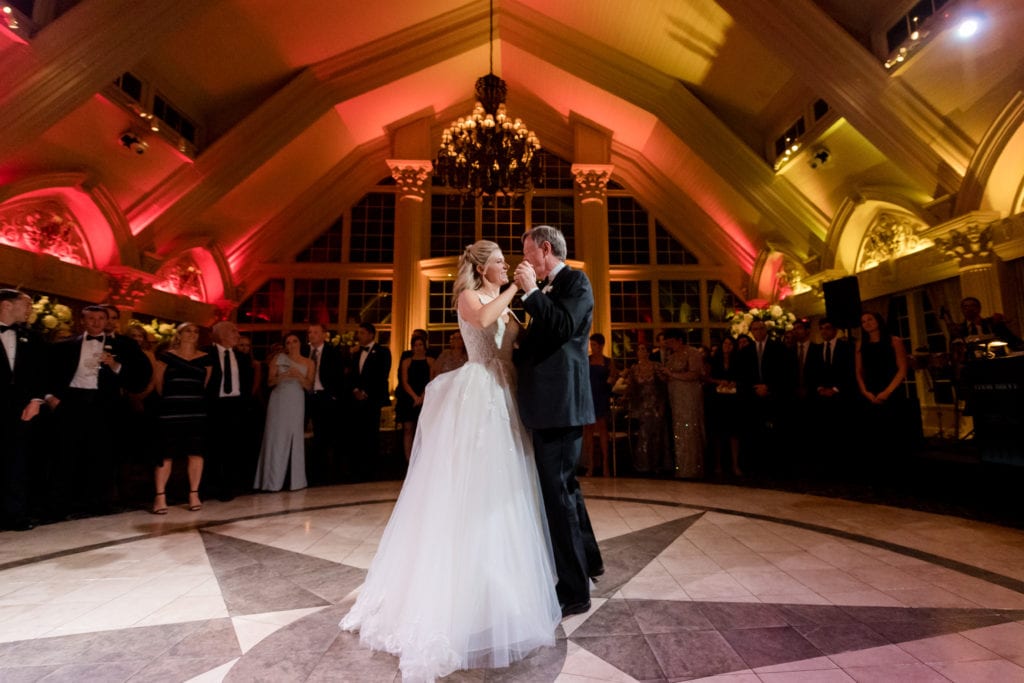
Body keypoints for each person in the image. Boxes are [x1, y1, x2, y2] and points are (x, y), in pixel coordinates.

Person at [341, 240, 559, 681]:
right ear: (481, 268)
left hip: (507, 395)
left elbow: (518, 345)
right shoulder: (472, 296)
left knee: (507, 492)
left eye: (505, 262)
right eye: (498, 262)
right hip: (479, 394)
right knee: (472, 490)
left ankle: (499, 593)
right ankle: (454, 595)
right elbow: (482, 320)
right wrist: (516, 291)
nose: (505, 266)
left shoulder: (508, 304)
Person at [513, 225, 602, 618]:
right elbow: (538, 340)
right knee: (567, 489)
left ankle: (574, 591)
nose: (524, 262)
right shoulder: (547, 289)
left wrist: (532, 292)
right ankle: (591, 562)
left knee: (559, 495)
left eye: (528, 253)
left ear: (545, 250)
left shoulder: (576, 281)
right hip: (547, 404)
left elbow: (563, 328)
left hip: (561, 405)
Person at [46, 305, 152, 517]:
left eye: (100, 318)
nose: (96, 322)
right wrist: (51, 398)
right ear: (82, 321)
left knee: (101, 456)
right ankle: (61, 506)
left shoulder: (124, 345)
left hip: (105, 406)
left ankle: (96, 505)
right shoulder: (65, 345)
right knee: (66, 454)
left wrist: (115, 366)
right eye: (91, 318)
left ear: (107, 322)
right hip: (72, 402)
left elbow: (140, 377)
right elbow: (46, 372)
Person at [152, 323, 212, 513]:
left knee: (195, 453)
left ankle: (194, 493)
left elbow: (204, 385)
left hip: (196, 412)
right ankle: (160, 497)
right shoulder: (166, 357)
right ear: (178, 335)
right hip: (170, 411)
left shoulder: (206, 359)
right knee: (166, 454)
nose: (192, 334)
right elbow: (159, 385)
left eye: (196, 331)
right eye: (188, 330)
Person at [0, 290, 47, 530]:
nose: (30, 311)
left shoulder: (32, 337)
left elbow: (40, 372)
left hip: (20, 409)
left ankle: (15, 514)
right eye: (26, 306)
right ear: (7, 305)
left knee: (17, 461)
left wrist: (36, 401)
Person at [203, 321, 257, 501]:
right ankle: (207, 486)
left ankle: (228, 487)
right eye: (233, 331)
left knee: (232, 448)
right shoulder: (206, 354)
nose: (237, 334)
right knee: (211, 447)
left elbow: (247, 385)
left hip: (236, 407)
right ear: (222, 334)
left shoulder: (241, 358)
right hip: (213, 406)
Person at [855, 311, 919, 459]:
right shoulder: (860, 345)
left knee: (894, 434)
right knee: (874, 436)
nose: (867, 323)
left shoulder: (894, 341)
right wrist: (865, 391)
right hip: (870, 392)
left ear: (878, 320)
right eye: (863, 321)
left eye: (870, 319)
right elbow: (858, 371)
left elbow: (902, 369)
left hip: (891, 391)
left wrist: (887, 392)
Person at [254, 332, 313, 492]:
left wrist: (299, 376)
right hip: (279, 399)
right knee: (276, 436)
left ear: (300, 343)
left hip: (296, 400)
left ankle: (296, 481)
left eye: (294, 341)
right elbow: (269, 382)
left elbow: (309, 386)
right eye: (288, 342)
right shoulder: (278, 359)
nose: (291, 344)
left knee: (295, 435)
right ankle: (271, 481)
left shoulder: (309, 362)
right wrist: (283, 376)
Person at [346, 322, 391, 481]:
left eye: (362, 333)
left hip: (372, 400)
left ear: (372, 335)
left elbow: (382, 374)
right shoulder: (356, 353)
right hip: (356, 401)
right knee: (357, 434)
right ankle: (356, 469)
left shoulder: (383, 351)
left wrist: (366, 392)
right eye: (359, 333)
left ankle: (371, 470)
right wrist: (355, 390)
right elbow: (351, 375)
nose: (359, 336)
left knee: (371, 434)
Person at [659, 329, 705, 479]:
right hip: (676, 397)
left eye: (671, 342)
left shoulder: (692, 353)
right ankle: (681, 467)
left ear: (679, 340)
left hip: (689, 396)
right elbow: (668, 377)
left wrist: (672, 374)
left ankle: (692, 468)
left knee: (690, 429)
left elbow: (695, 374)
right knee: (678, 431)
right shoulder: (671, 357)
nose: (669, 345)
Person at [305, 323, 346, 484]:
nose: (312, 335)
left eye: (315, 332)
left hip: (327, 398)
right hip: (310, 398)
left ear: (324, 334)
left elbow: (340, 377)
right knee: (314, 437)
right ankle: (314, 473)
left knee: (329, 436)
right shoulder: (304, 352)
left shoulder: (333, 352)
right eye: (310, 332)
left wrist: (335, 396)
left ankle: (332, 474)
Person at [625, 342, 669, 475]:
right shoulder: (634, 369)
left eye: (643, 349)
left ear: (648, 352)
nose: (641, 352)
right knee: (644, 435)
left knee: (657, 435)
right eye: (639, 349)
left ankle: (657, 465)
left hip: (655, 404)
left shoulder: (656, 366)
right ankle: (643, 465)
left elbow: (664, 383)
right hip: (642, 405)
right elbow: (631, 387)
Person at [707, 336, 742, 477]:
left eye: (730, 344)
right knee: (718, 433)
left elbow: (743, 378)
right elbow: (707, 377)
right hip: (718, 399)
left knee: (734, 433)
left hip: (733, 400)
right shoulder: (714, 360)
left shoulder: (738, 361)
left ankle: (735, 465)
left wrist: (735, 383)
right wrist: (718, 381)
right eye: (725, 343)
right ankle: (718, 464)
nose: (727, 346)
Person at [395, 334, 433, 461]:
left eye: (420, 345)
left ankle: (423, 460)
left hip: (426, 397)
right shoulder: (407, 362)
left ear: (425, 346)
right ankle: (409, 460)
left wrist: (422, 396)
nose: (418, 348)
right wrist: (415, 397)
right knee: (408, 429)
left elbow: (431, 380)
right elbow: (404, 381)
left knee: (423, 429)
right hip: (409, 398)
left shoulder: (430, 361)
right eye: (415, 345)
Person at [582, 333, 615, 476]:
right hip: (589, 397)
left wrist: (610, 380)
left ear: (601, 346)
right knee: (588, 431)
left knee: (602, 430)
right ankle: (590, 465)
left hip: (602, 396)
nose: (592, 347)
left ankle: (605, 464)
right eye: (591, 344)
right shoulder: (587, 360)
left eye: (594, 345)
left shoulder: (608, 361)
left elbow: (614, 376)